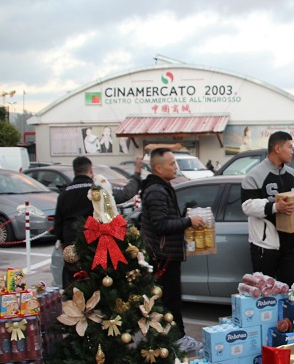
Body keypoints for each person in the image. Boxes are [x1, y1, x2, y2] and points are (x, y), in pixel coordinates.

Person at [140, 148, 206, 353]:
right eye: (171, 164)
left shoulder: (162, 187)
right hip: (163, 256)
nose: (175, 167)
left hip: (167, 254)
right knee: (169, 300)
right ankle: (176, 340)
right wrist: (188, 221)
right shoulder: (156, 191)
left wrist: (185, 216)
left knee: (170, 298)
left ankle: (173, 338)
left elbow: (164, 219)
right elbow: (160, 225)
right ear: (158, 168)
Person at [54, 155, 142, 288]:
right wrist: (137, 173)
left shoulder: (64, 194)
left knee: (73, 286)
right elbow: (126, 193)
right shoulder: (98, 190)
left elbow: (58, 226)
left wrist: (64, 245)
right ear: (91, 170)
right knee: (97, 283)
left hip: (71, 246)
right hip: (95, 245)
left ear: (75, 171)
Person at [241, 131, 294, 284]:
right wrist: (275, 207)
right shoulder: (254, 175)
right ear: (277, 148)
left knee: (289, 292)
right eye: (290, 147)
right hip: (265, 246)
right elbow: (247, 206)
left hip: (291, 245)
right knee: (265, 295)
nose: (292, 151)